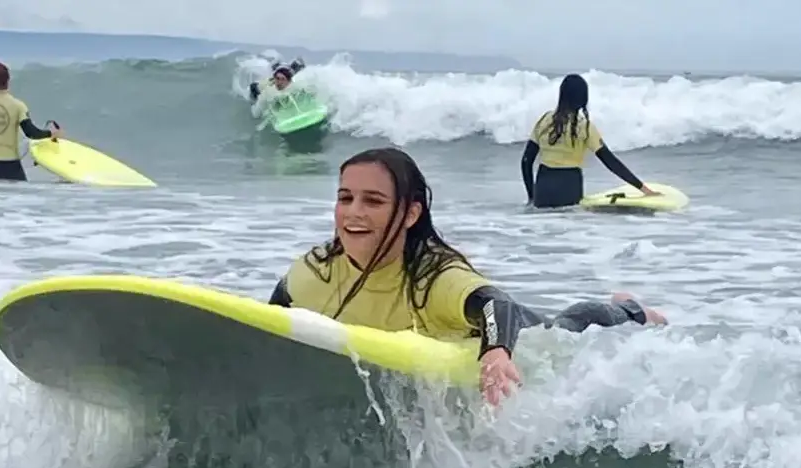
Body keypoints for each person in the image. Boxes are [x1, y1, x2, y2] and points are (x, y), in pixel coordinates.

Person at [268, 146, 667, 405]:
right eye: (345, 198)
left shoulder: (433, 275)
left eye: (373, 201)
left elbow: (497, 305)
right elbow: (274, 312)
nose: (353, 212)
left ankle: (630, 310)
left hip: (521, 333)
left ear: (409, 213)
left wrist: (496, 352)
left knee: (571, 323)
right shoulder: (315, 269)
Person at [521, 73, 657, 209]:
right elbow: (610, 161)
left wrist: (532, 197)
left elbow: (526, 161)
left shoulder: (544, 121)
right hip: (568, 192)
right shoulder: (584, 127)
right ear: (583, 98)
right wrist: (643, 189)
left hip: (543, 193)